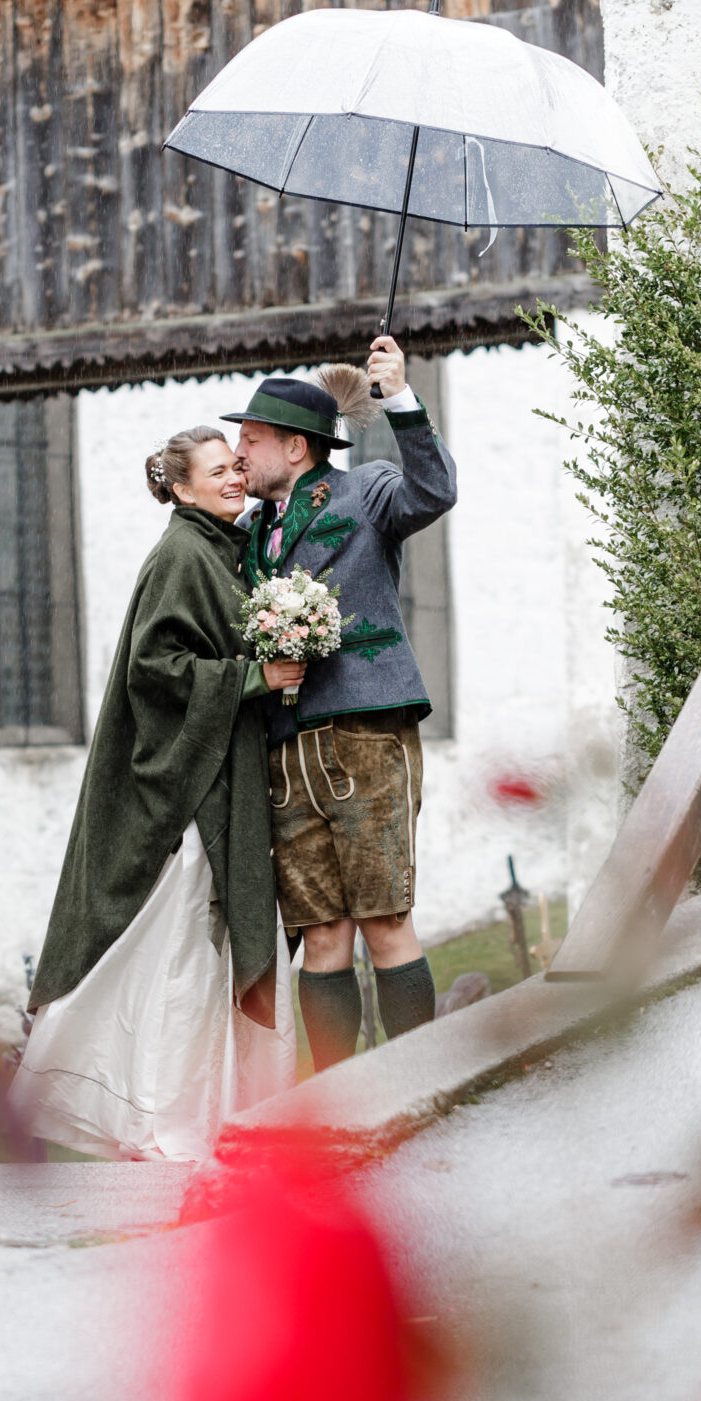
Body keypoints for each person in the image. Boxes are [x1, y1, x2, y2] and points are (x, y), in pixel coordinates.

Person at [10, 427, 304, 1159]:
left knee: (198, 952)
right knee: (179, 950)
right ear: (179, 488)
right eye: (216, 472)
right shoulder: (181, 555)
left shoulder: (219, 550)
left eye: (237, 466)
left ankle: (198, 1117)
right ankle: (158, 1121)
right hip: (192, 789)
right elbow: (155, 668)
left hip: (221, 771)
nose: (235, 478)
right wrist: (249, 678)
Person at [227, 333, 457, 1072]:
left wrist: (399, 398)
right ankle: (337, 1102)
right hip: (285, 746)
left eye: (252, 440)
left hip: (365, 732)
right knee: (322, 933)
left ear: (296, 448)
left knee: (384, 920)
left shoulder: (367, 490)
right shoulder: (249, 531)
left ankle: (415, 1091)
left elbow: (435, 491)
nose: (240, 455)